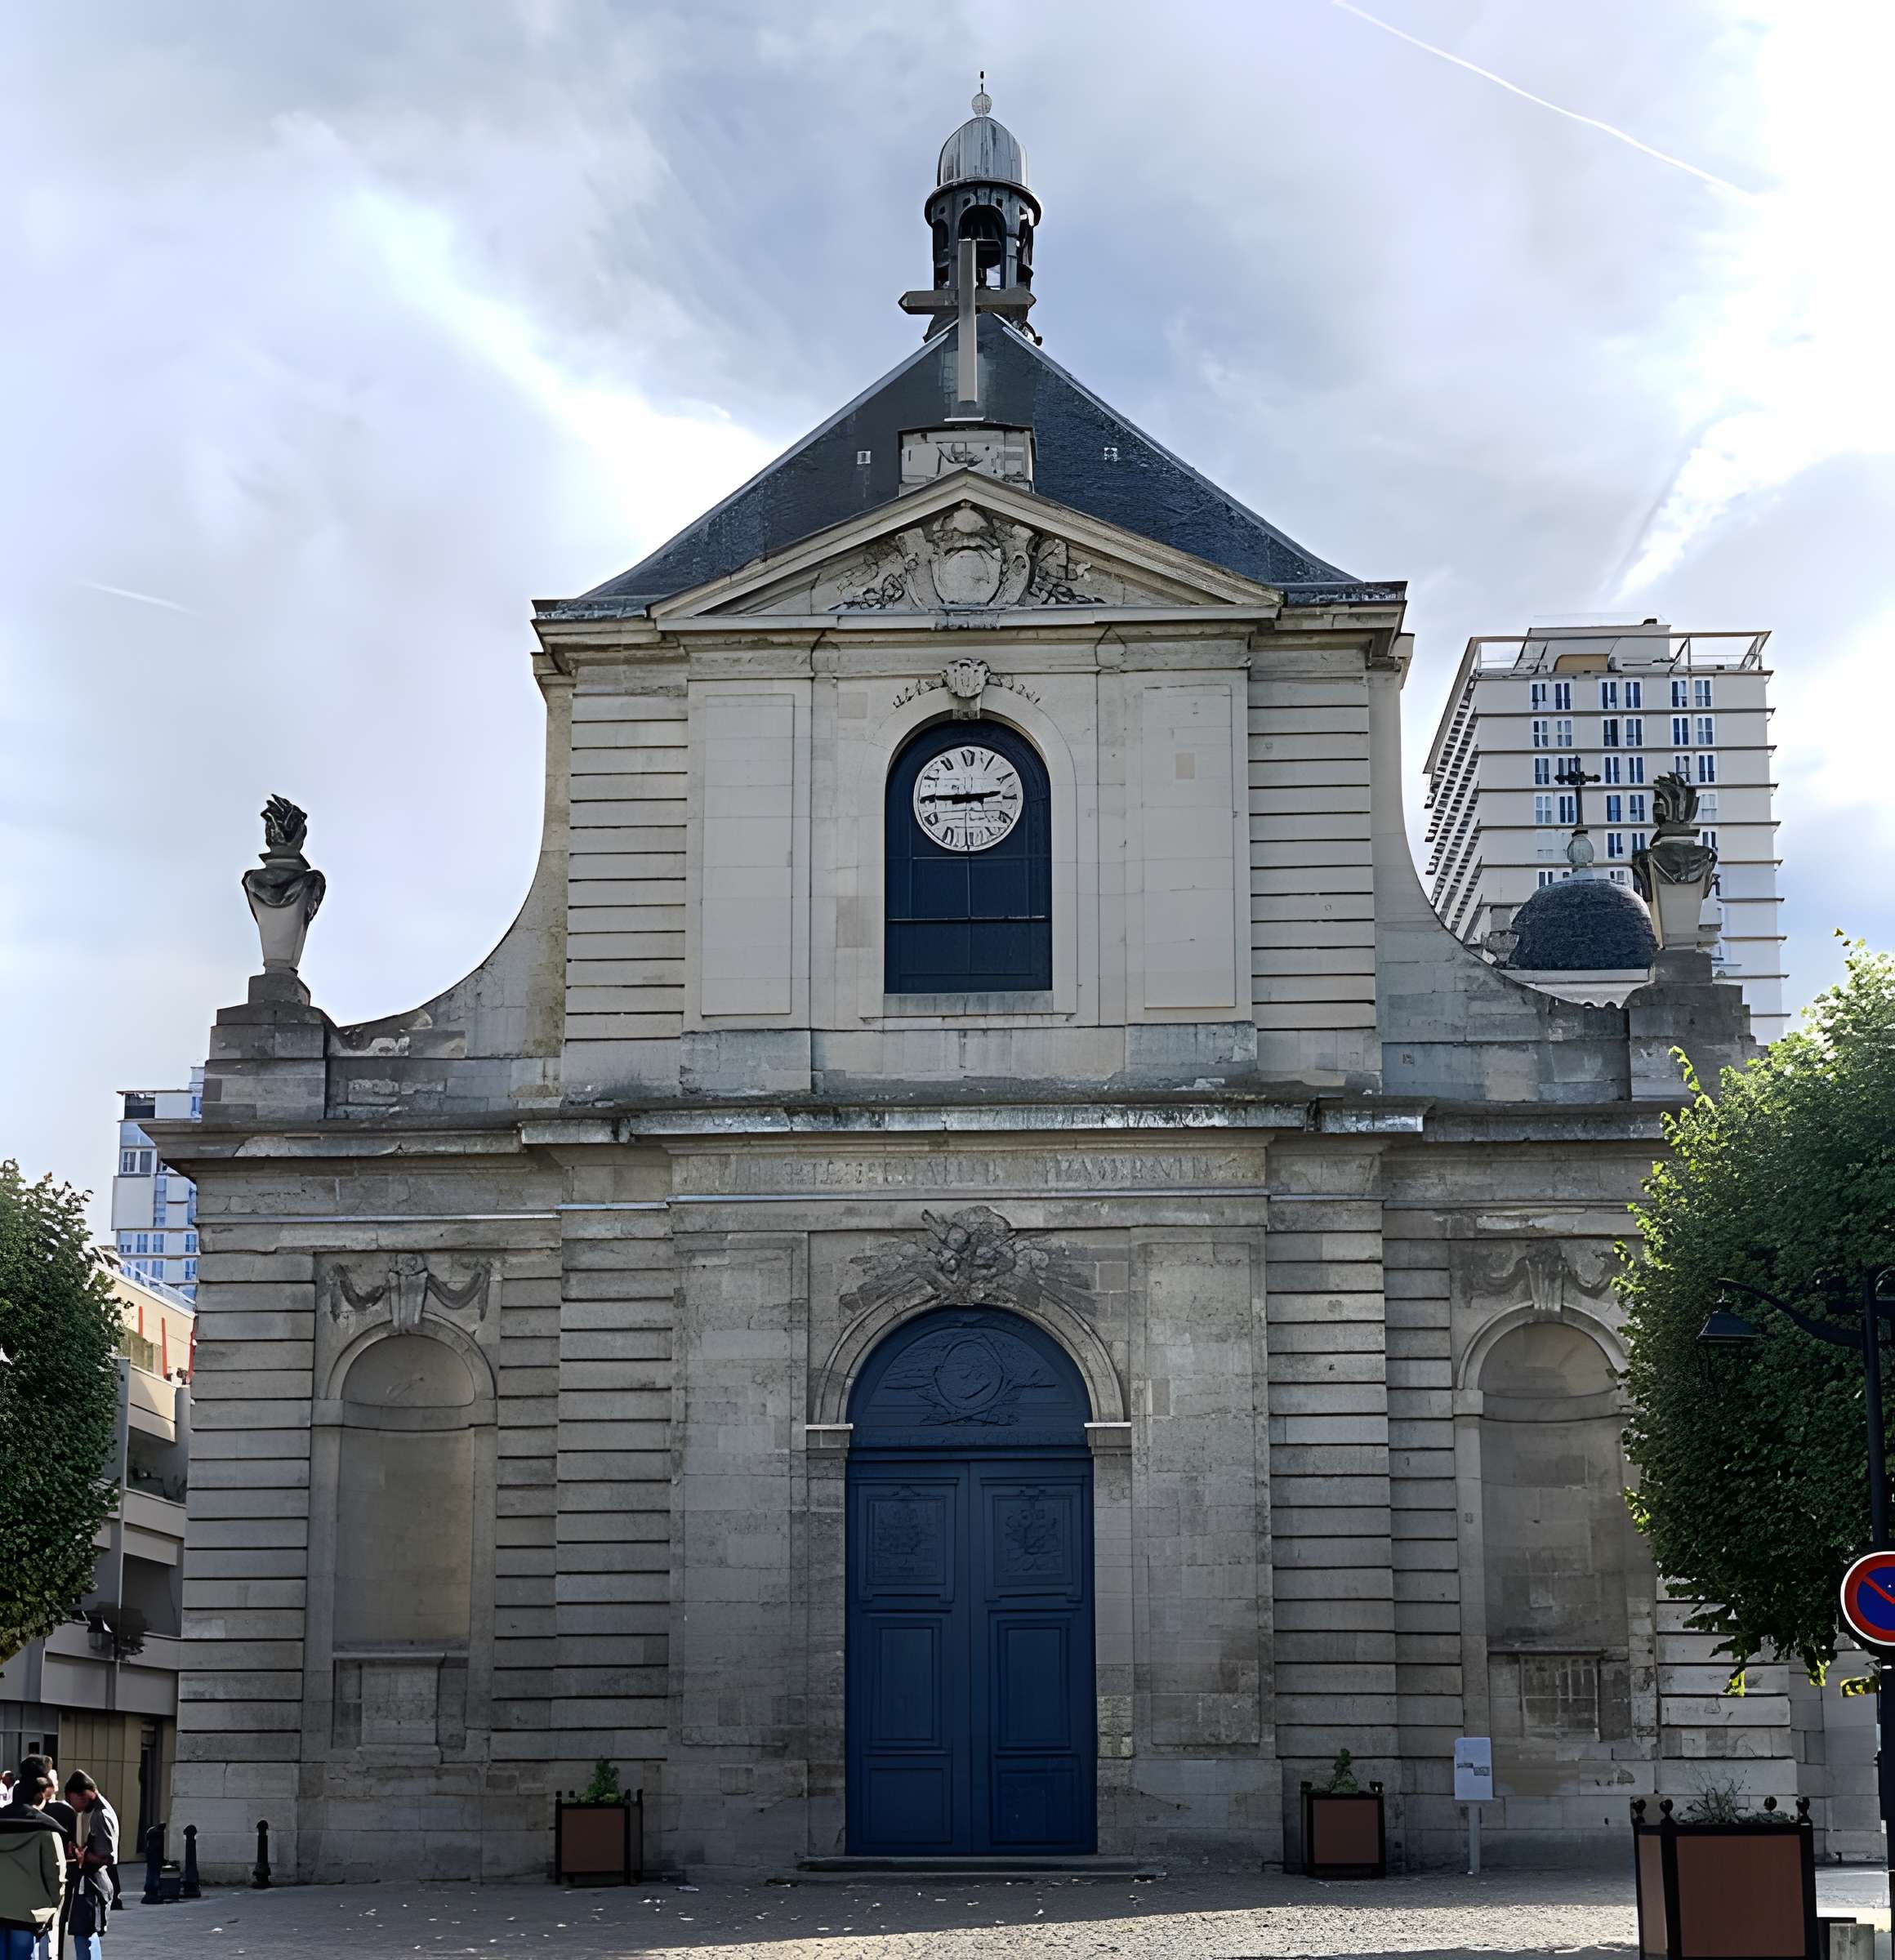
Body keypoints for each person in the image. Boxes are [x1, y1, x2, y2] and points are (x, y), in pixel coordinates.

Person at [0, 1762, 65, 1960]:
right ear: (40, 1797)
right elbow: (56, 1875)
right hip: (29, 1914)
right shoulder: (46, 1829)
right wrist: (53, 1908)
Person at [60, 1776, 115, 1960]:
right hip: (90, 1884)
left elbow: (107, 1857)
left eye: (70, 1799)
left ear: (82, 1795)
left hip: (93, 1885)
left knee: (84, 1935)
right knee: (85, 1936)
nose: (70, 1804)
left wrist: (81, 1855)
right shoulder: (92, 1811)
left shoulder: (100, 1815)